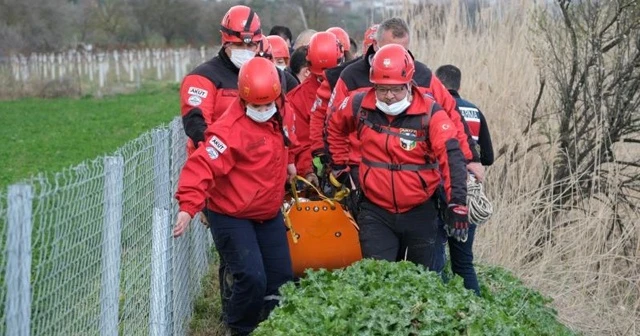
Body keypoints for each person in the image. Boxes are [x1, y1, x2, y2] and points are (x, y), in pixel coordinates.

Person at [173, 57, 296, 336]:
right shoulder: (229, 131)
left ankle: (272, 326)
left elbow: (289, 139)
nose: (264, 110)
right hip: (231, 213)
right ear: (243, 99)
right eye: (257, 106)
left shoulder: (281, 112)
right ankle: (240, 328)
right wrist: (188, 206)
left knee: (282, 278)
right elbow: (201, 165)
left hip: (267, 211)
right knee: (251, 276)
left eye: (269, 104)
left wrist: (293, 163)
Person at [326, 44, 469, 271]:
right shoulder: (358, 104)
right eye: (382, 89)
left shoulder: (430, 113)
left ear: (409, 84)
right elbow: (333, 125)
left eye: (396, 89)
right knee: (376, 281)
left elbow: (451, 156)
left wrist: (457, 202)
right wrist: (340, 167)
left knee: (423, 285)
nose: (389, 96)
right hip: (375, 211)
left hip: (420, 211)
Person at [323, 17, 483, 190]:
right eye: (390, 49)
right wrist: (339, 168)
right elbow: (333, 123)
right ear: (375, 44)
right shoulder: (351, 76)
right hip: (363, 171)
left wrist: (471, 159)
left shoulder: (423, 76)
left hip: (414, 172)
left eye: (403, 50)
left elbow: (452, 115)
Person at [435, 64, 494, 295]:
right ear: (459, 85)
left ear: (437, 83)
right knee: (463, 263)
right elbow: (486, 157)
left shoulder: (434, 107)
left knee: (436, 260)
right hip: (467, 195)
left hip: (440, 191)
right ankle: (475, 313)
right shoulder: (474, 111)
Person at [180, 5, 262, 154]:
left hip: (256, 166)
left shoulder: (264, 76)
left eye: (250, 45)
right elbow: (197, 125)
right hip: (215, 166)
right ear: (225, 41)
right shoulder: (202, 78)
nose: (245, 50)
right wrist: (221, 153)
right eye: (238, 45)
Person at [286, 31, 343, 185]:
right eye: (320, 77)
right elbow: (300, 143)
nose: (325, 80)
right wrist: (308, 170)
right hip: (319, 174)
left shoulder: (354, 87)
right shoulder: (296, 99)